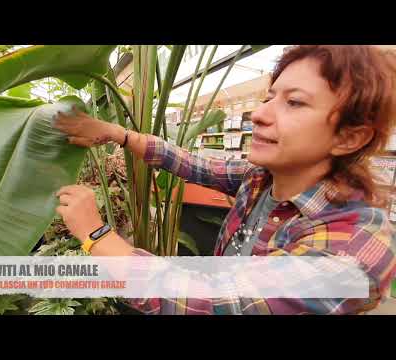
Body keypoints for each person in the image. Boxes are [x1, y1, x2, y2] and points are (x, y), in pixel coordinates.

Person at [53, 45, 396, 315]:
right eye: (269, 97)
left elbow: (213, 302)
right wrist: (118, 133)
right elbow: (194, 165)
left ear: (349, 138)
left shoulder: (354, 247)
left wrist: (94, 234)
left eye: (294, 102)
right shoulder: (262, 179)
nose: (260, 115)